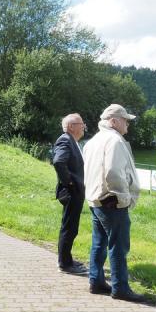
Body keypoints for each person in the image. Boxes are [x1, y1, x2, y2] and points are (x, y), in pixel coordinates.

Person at [83, 104, 143, 302]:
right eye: (125, 120)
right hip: (111, 201)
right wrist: (122, 197)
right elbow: (113, 172)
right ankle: (120, 288)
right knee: (118, 245)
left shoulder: (93, 141)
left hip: (96, 199)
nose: (128, 124)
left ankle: (96, 281)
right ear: (114, 121)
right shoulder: (114, 140)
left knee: (99, 243)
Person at [53, 113, 87, 275]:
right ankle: (65, 264)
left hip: (76, 191)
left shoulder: (72, 141)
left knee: (72, 227)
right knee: (69, 227)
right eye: (81, 124)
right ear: (71, 126)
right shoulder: (65, 140)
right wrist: (70, 182)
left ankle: (67, 259)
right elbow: (59, 162)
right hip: (72, 191)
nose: (84, 126)